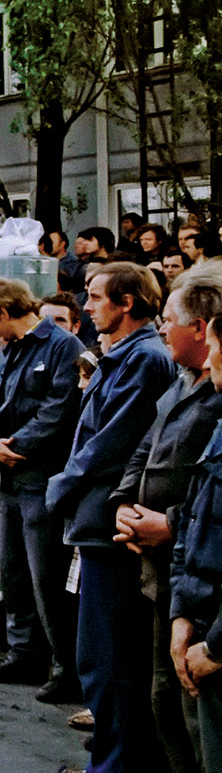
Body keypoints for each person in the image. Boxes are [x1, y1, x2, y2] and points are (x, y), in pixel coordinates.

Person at [47, 262, 176, 773]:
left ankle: (116, 766)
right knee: (100, 659)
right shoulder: (122, 355)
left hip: (108, 526)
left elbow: (110, 445)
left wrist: (59, 487)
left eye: (98, 296)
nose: (87, 306)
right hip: (96, 522)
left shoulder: (144, 359)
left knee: (113, 662)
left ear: (127, 303)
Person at [111, 262, 222, 773]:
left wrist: (170, 524)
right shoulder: (181, 380)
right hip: (170, 571)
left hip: (200, 574)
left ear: (200, 328)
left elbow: (208, 494)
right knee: (164, 696)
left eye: (169, 321)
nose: (161, 330)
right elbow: (144, 449)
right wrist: (124, 503)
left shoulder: (216, 390)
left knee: (196, 711)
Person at [0, 277, 85, 702]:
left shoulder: (62, 347)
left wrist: (16, 445)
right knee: (13, 572)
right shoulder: (12, 347)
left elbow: (59, 410)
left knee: (47, 579)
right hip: (6, 479)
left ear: (6, 312)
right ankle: (22, 653)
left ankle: (64, 666)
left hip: (40, 480)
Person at [168, 315, 222, 770]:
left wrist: (218, 645)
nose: (209, 360)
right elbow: (192, 519)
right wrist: (181, 614)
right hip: (200, 624)